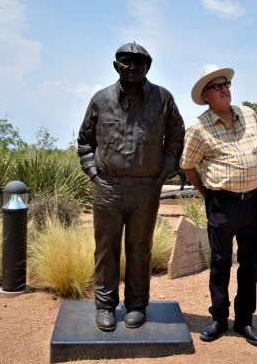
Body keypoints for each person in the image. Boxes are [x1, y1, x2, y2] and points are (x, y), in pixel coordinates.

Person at [77, 43, 184, 332]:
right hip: (107, 189)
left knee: (140, 249)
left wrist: (163, 172)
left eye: (140, 62)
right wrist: (94, 173)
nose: (133, 67)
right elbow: (85, 141)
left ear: (149, 67)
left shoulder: (163, 99)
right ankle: (105, 306)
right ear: (116, 66)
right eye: (126, 61)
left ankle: (137, 305)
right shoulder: (101, 99)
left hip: (145, 190)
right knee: (106, 249)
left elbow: (176, 137)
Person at [180, 64, 257, 346]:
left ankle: (244, 320)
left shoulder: (249, 115)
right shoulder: (198, 127)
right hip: (221, 205)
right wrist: (207, 193)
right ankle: (218, 318)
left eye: (226, 84)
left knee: (250, 264)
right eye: (217, 86)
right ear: (205, 95)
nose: (225, 89)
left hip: (252, 203)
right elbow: (188, 165)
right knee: (220, 263)